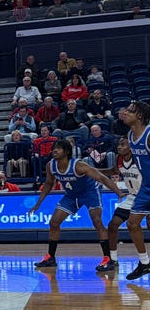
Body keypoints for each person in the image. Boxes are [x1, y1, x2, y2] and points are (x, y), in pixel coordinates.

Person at [30, 139, 123, 269]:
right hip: (71, 196)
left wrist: (118, 192)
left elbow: (101, 177)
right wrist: (38, 204)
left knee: (97, 222)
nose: (54, 150)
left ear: (67, 151)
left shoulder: (79, 165)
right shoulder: (51, 165)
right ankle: (51, 257)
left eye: (58, 148)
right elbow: (48, 184)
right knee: (54, 223)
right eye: (54, 148)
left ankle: (108, 259)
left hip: (89, 193)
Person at [99, 137, 142, 272]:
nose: (119, 146)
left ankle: (144, 261)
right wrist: (94, 170)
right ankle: (113, 259)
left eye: (123, 144)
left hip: (146, 196)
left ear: (131, 147)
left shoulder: (140, 158)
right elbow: (114, 171)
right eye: (118, 144)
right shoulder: (119, 159)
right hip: (132, 198)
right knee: (113, 225)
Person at [120, 101, 150, 280]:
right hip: (146, 186)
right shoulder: (130, 135)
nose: (125, 113)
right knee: (132, 224)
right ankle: (145, 263)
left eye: (129, 111)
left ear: (139, 116)